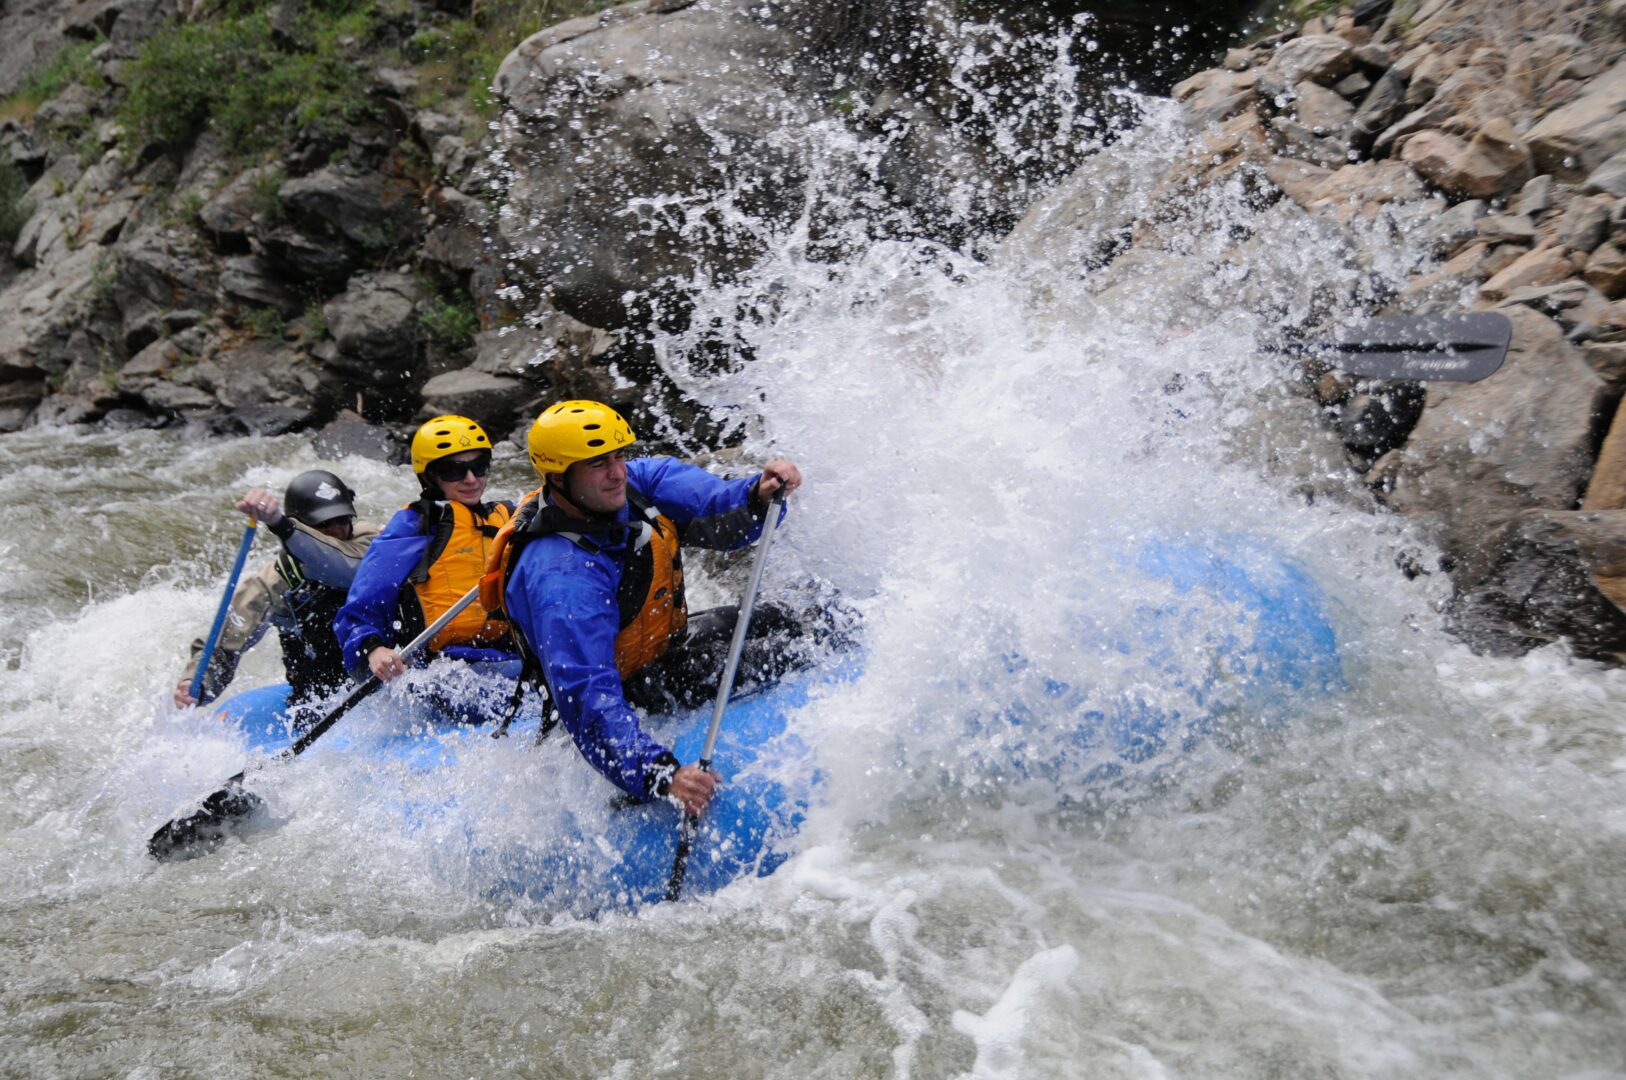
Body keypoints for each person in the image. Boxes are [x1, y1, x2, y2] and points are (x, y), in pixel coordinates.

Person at [485, 400, 804, 819]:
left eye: (618, 456)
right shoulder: (562, 577)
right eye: (598, 464)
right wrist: (662, 775)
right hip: (632, 690)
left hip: (665, 649)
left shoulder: (631, 484)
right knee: (785, 653)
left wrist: (756, 493)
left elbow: (713, 503)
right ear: (560, 478)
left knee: (784, 616)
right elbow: (587, 695)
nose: (617, 472)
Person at [333, 415, 518, 703]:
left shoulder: (509, 518)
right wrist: (374, 649)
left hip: (507, 657)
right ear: (430, 477)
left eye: (479, 466)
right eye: (454, 471)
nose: (471, 479)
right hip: (443, 673)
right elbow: (360, 610)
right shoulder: (413, 527)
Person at [175, 470, 380, 710]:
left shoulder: (371, 539)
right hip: (320, 702)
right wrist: (196, 683)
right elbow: (223, 648)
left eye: (342, 519)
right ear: (302, 525)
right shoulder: (273, 582)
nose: (336, 530)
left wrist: (281, 525)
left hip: (383, 677)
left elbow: (344, 565)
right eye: (324, 524)